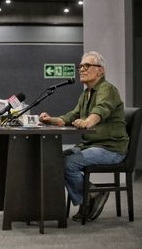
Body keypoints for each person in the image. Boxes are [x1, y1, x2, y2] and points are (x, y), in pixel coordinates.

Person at [39, 51, 129, 222]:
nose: (81, 69)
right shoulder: (86, 93)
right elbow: (71, 116)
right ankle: (91, 194)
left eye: (87, 66)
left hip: (111, 148)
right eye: (80, 66)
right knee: (56, 159)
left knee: (68, 163)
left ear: (100, 71)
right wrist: (51, 120)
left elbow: (101, 110)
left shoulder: (107, 89)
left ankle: (91, 196)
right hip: (90, 146)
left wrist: (87, 122)